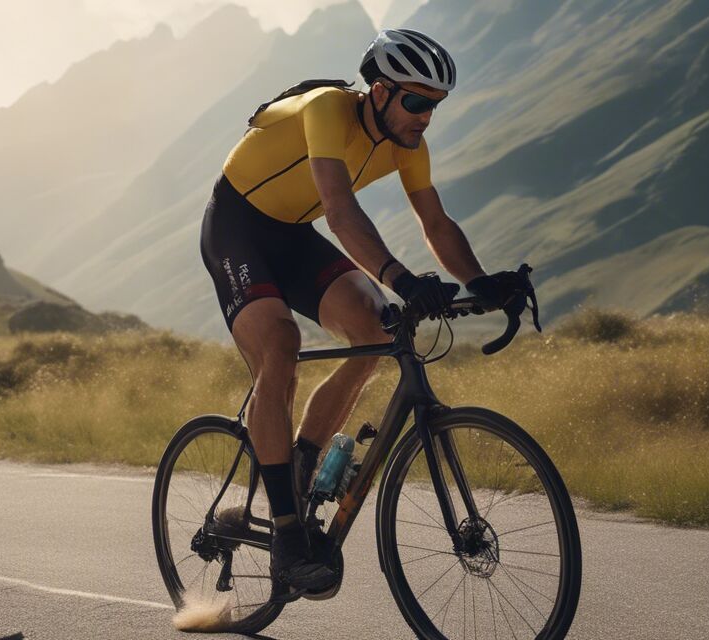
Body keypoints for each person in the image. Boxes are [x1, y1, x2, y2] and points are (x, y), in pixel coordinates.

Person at [198, 28, 527, 600]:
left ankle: (300, 463)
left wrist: (480, 282)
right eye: (417, 101)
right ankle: (285, 532)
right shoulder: (328, 109)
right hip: (238, 226)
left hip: (293, 235)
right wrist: (400, 277)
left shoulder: (408, 145)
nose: (426, 116)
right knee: (280, 343)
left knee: (377, 328)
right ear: (378, 91)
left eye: (436, 105)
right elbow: (339, 208)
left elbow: (436, 223)